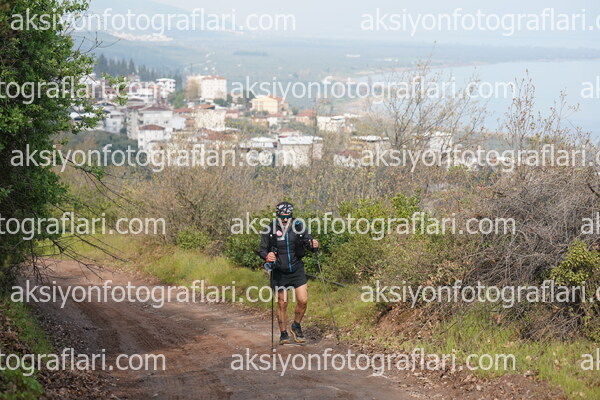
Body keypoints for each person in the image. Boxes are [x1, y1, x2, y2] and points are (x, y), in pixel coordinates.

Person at [259, 201, 318, 344]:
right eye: (282, 216)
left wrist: (313, 244)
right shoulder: (270, 229)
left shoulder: (298, 226)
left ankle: (296, 326)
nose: (285, 219)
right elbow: (262, 250)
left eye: (288, 216)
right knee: (282, 303)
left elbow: (308, 243)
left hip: (297, 269)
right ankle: (283, 334)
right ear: (277, 215)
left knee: (303, 300)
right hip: (279, 271)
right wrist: (267, 256)